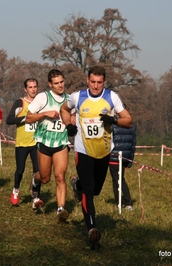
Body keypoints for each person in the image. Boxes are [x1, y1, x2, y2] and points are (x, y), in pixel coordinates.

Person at [60, 65, 132, 249]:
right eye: (92, 82)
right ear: (87, 80)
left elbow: (128, 120)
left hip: (104, 151)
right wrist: (68, 125)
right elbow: (64, 110)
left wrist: (114, 120)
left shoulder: (112, 97)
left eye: (99, 83)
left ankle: (78, 186)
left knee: (96, 190)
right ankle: (92, 229)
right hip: (83, 150)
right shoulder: (78, 96)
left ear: (104, 82)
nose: (95, 86)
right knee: (89, 190)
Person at [25, 69, 70, 221]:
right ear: (50, 84)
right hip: (44, 142)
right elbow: (28, 118)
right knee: (45, 178)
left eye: (62, 82)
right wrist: (45, 114)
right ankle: (34, 180)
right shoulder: (43, 97)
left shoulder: (69, 100)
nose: (60, 85)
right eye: (56, 83)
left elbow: (73, 119)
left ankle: (61, 209)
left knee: (60, 176)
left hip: (61, 142)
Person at [6, 78, 41, 207]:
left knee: (38, 172)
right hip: (22, 143)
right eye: (30, 87)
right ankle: (16, 190)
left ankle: (36, 198)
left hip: (36, 143)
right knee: (20, 170)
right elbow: (9, 120)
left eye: (35, 87)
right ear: (25, 89)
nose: (33, 89)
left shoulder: (41, 102)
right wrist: (25, 119)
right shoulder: (20, 103)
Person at [109, 116, 135, 210]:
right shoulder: (131, 125)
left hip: (113, 156)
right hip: (125, 157)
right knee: (117, 179)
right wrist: (130, 160)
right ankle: (118, 201)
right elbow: (133, 144)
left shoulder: (112, 125)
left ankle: (128, 202)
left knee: (119, 180)